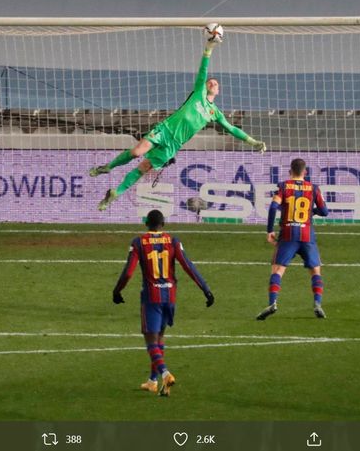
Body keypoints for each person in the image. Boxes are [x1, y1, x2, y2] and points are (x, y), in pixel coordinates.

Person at [90, 32, 266, 211]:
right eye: (210, 82)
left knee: (143, 167)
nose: (212, 83)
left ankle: (115, 193)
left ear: (218, 91)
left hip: (173, 145)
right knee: (136, 152)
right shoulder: (198, 94)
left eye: (216, 84)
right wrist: (209, 48)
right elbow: (203, 71)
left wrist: (252, 141)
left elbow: (232, 129)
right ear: (204, 86)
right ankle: (107, 167)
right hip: (165, 130)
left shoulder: (215, 113)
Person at [112, 209, 214, 396]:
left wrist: (117, 291)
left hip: (151, 297)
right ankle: (153, 381)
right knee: (160, 338)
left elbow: (128, 272)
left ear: (146, 224)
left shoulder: (139, 242)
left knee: (150, 340)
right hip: (170, 296)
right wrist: (206, 289)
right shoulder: (173, 241)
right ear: (163, 224)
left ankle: (165, 374)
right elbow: (188, 266)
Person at [257, 158, 329, 320]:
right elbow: (325, 211)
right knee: (315, 271)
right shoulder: (313, 188)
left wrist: (269, 230)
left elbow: (273, 207)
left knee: (278, 270)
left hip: (288, 233)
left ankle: (272, 303)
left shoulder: (283, 186)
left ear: (290, 171)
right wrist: (312, 212)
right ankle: (317, 303)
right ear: (305, 172)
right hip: (307, 234)